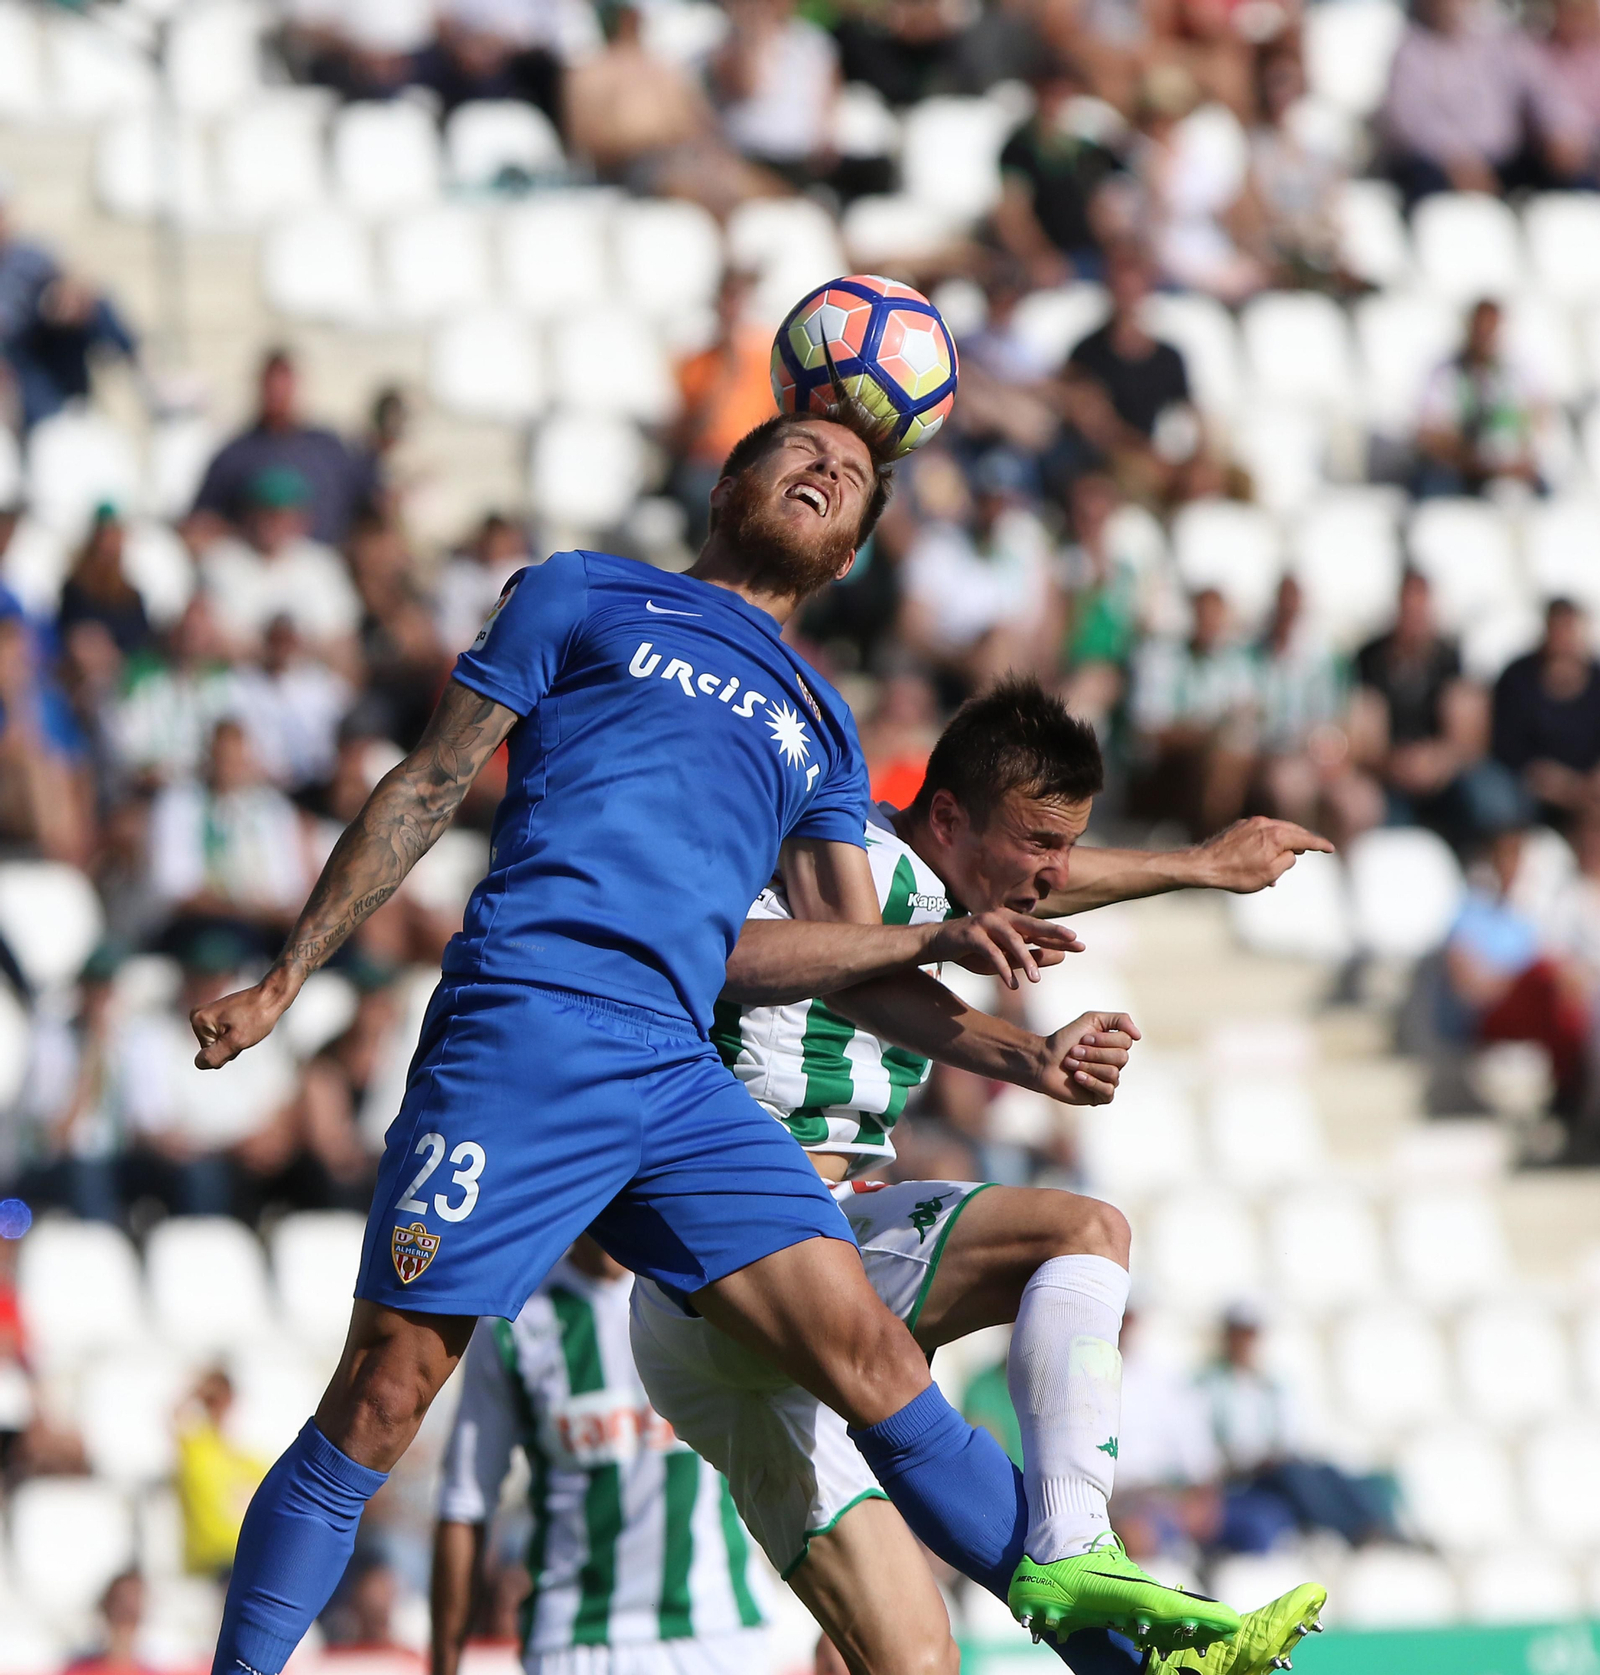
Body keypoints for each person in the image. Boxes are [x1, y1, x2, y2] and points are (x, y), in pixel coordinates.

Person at [189, 401, 1240, 1675]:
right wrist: (287, 976)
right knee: (384, 1392)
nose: (824, 467)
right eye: (800, 449)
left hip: (678, 1076)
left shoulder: (819, 719)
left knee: (866, 1355)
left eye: (853, 473)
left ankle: (1131, 1660)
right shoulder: (581, 595)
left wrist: (991, 1006)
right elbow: (427, 781)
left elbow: (862, 952)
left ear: (850, 552)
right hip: (527, 1027)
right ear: (726, 484)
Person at [633, 679, 1331, 1675]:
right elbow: (833, 955)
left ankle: (1124, 1648)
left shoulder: (896, 870)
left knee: (914, 1661)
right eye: (1038, 841)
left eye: (1064, 844)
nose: (1052, 873)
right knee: (1084, 1233)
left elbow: (1012, 881)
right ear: (950, 817)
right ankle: (1077, 1541)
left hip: (701, 1336)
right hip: (762, 1239)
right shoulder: (868, 867)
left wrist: (1196, 863)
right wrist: (1033, 1054)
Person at [431, 1236, 767, 1675]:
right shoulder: (514, 1319)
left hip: (720, 1633)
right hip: (572, 1644)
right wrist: (443, 1664)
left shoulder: (716, 1285)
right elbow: (465, 1501)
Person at [1197, 1306, 1396, 1551]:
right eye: (1241, 1334)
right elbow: (1208, 1448)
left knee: (1325, 1470)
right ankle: (1355, 1531)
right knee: (1296, 1474)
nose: (1247, 1342)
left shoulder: (1273, 1385)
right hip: (1243, 1479)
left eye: (1251, 1334)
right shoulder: (1207, 1385)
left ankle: (1376, 1526)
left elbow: (1292, 1436)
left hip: (1276, 1469)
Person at [1351, 570, 1517, 853]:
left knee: (1494, 798)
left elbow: (1469, 737)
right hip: (1390, 772)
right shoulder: (1370, 659)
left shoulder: (1450, 657)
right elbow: (1363, 736)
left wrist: (1437, 761)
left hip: (1445, 769)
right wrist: (1397, 763)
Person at [1379, 0, 1581, 204]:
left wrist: (1561, 132)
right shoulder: (1410, 52)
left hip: (1505, 164)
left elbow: (1543, 91)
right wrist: (1457, 159)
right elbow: (1409, 124)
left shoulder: (1504, 42)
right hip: (1442, 167)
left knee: (1578, 180)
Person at [188, 349, 377, 548]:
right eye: (272, 384)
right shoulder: (233, 457)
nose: (278, 392)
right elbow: (203, 521)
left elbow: (369, 500)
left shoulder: (328, 448)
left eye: (284, 383)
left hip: (327, 565)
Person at [0, 181, 138, 432]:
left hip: (39, 352)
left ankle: (136, 363)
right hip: (15, 364)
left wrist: (66, 300)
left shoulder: (31, 257)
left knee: (94, 303)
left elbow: (65, 289)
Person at [197, 466, 363, 672]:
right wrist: (273, 654)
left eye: (282, 515)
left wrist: (294, 653)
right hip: (242, 685)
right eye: (266, 513)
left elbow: (343, 642)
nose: (273, 523)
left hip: (314, 686)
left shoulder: (323, 565)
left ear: (302, 519)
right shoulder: (220, 563)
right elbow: (213, 641)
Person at [1129, 587, 1259, 838]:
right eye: (1204, 615)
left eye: (1217, 617)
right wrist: (1207, 735)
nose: (1210, 624)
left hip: (1221, 761)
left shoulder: (1235, 665)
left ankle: (1217, 833)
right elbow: (1148, 731)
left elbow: (1247, 721)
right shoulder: (1162, 658)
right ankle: (1213, 837)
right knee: (1221, 760)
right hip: (1165, 768)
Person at [993, 58, 1125, 287]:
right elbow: (1013, 214)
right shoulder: (1020, 147)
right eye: (1050, 93)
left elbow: (1106, 201)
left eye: (1064, 93)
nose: (1057, 102)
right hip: (1056, 262)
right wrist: (1040, 258)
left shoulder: (1086, 144)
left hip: (1096, 256)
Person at [1414, 300, 1542, 499]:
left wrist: (1513, 460)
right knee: (1435, 487)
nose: (1485, 336)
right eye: (1480, 329)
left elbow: (1537, 425)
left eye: (1491, 330)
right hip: (1461, 469)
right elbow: (1430, 436)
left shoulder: (1518, 375)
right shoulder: (1446, 374)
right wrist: (1476, 459)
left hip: (1504, 466)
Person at [1492, 598, 1600, 832]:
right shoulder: (1517, 678)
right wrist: (1546, 778)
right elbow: (1506, 745)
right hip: (1531, 787)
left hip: (1588, 788)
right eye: (1557, 629)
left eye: (1569, 629)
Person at [176, 1368, 269, 1580]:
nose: (216, 1406)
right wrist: (197, 1392)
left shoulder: (250, 1460)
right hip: (210, 1561)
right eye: (211, 1400)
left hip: (246, 1557)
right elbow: (175, 1416)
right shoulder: (195, 1448)